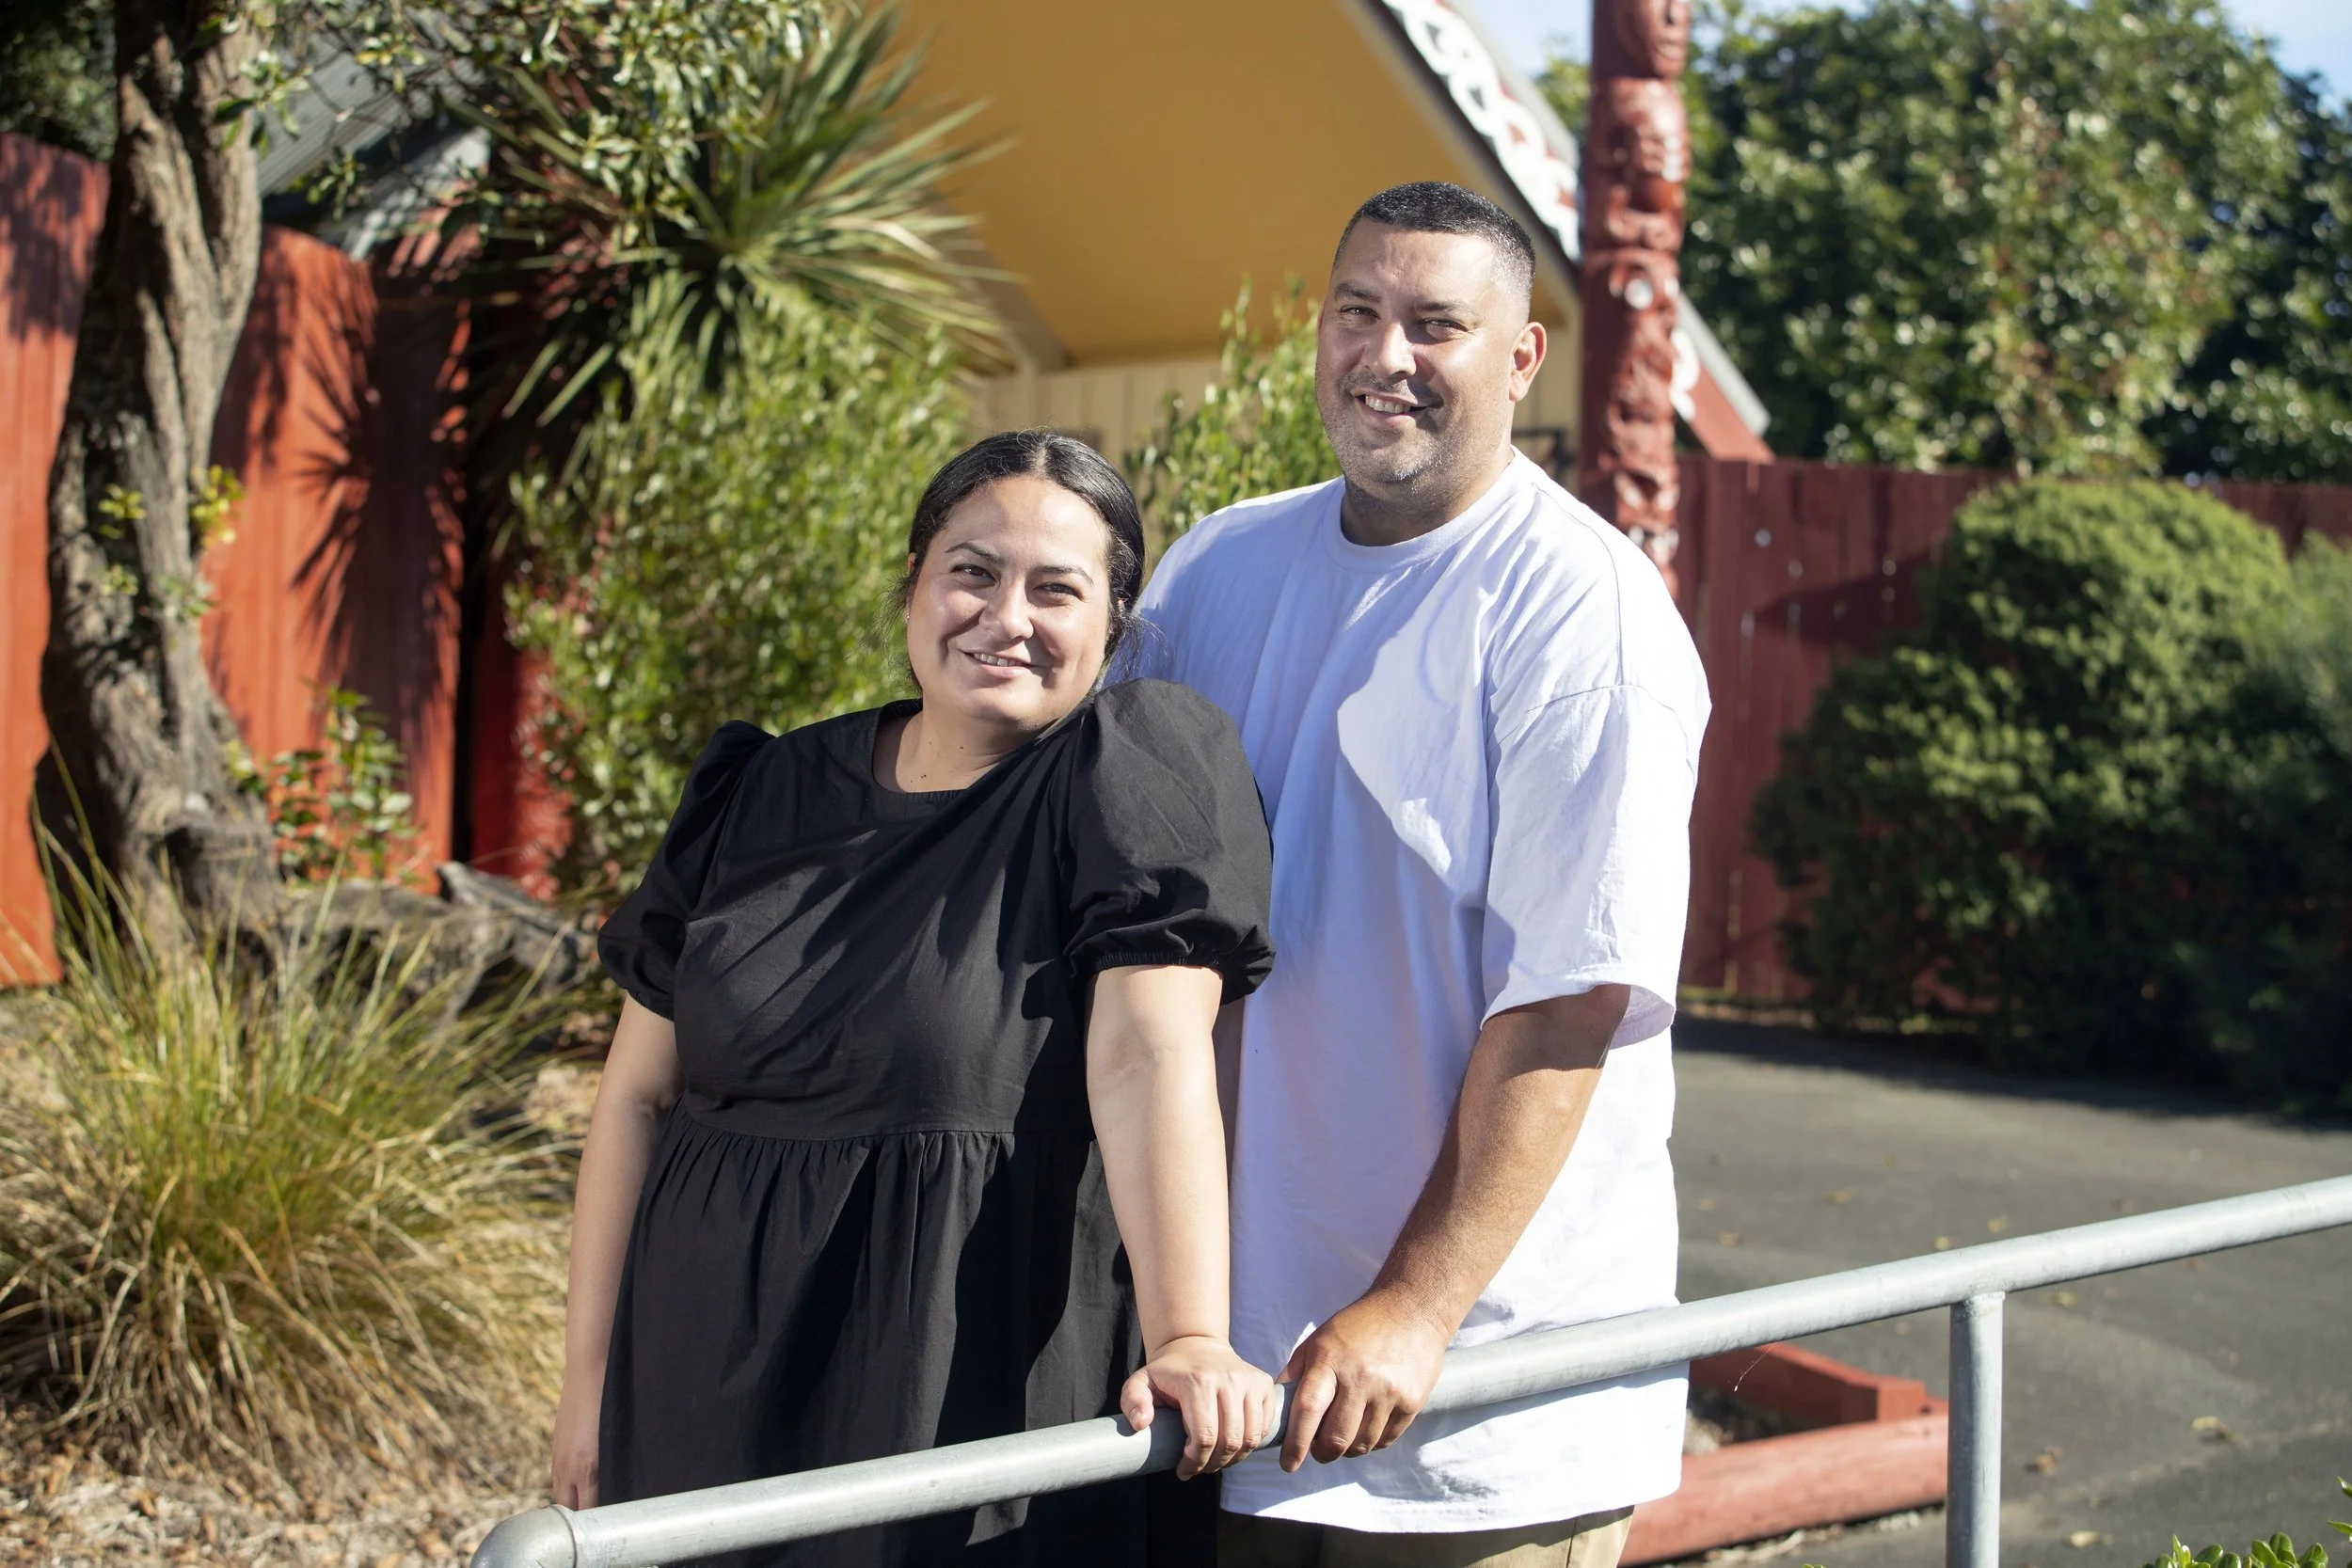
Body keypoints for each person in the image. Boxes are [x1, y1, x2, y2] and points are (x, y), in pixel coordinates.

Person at [551, 430, 1280, 1568]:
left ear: (1114, 623)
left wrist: (1192, 1329)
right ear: (912, 586)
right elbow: (638, 1098)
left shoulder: (1129, 773)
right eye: (973, 571)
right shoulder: (758, 792)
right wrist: (589, 1388)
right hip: (696, 1395)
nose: (1006, 616)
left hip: (955, 1397)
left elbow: (1151, 1052)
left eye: (1057, 588)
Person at [1137, 182, 1711, 1568]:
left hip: (1478, 1415)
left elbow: (1573, 999)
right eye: (1357, 311)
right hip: (1234, 1375)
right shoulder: (1221, 563)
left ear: (1521, 359)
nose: (1385, 353)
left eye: (1436, 324)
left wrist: (1416, 1301)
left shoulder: (1584, 610)